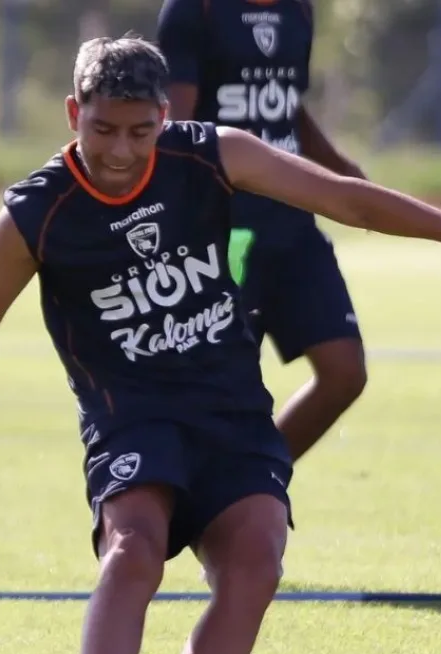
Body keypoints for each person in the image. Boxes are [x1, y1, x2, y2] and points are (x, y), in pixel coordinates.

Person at [0, 36, 441, 654]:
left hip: (230, 413)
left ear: (164, 116)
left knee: (256, 558)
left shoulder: (214, 154)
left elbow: (343, 198)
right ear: (72, 114)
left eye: (139, 131)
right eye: (102, 130)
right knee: (135, 543)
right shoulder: (37, 214)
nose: (121, 150)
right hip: (132, 418)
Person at [157, 0, 370, 464]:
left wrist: (341, 170)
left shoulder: (299, 10)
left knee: (344, 372)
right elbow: (175, 126)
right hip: (225, 225)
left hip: (292, 217)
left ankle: (256, 475)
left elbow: (288, 105)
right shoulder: (196, 10)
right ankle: (186, 502)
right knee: (220, 390)